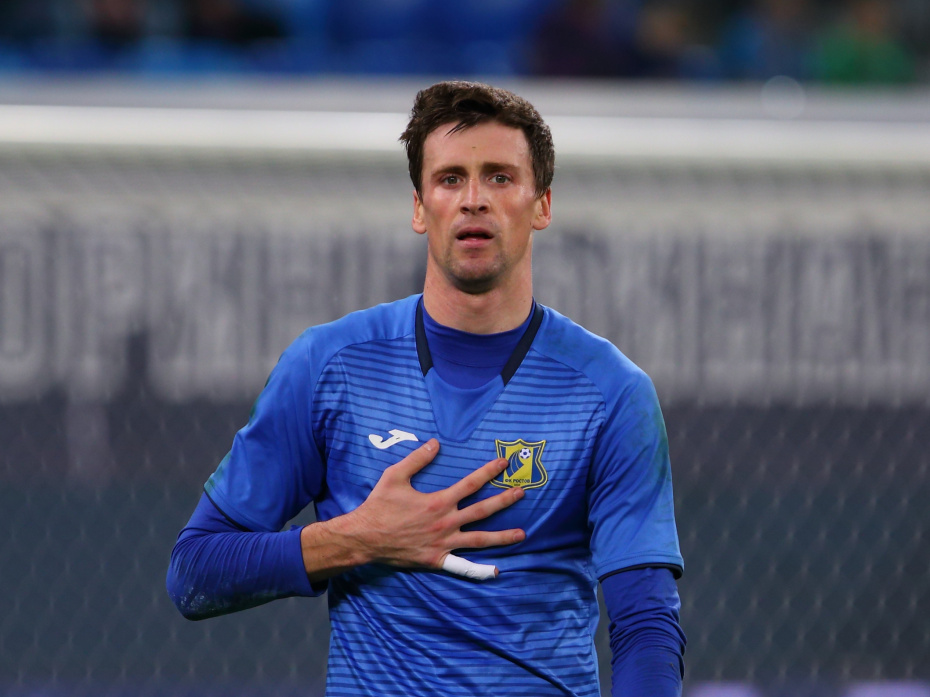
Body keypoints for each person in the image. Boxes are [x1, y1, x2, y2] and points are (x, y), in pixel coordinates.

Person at [167, 80, 686, 696]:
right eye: (450, 179)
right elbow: (195, 572)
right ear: (419, 207)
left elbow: (645, 623)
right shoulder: (330, 366)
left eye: (500, 177)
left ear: (542, 205)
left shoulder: (610, 392)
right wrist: (360, 538)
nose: (474, 200)